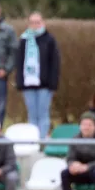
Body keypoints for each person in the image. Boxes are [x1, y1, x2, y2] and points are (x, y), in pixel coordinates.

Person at [15, 11, 60, 139]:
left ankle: (42, 140)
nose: (35, 25)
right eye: (32, 22)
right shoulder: (24, 40)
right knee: (32, 114)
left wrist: (53, 83)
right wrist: (20, 82)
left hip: (45, 84)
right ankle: (33, 140)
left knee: (43, 114)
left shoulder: (49, 40)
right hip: (28, 84)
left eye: (38, 22)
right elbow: (19, 62)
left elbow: (54, 62)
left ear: (42, 23)